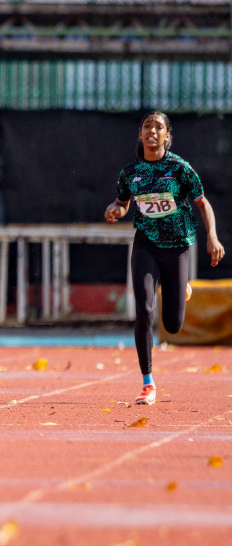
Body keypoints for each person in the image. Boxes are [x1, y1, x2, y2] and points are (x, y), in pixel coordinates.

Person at [105, 110, 223, 404]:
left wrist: (212, 237)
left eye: (158, 127)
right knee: (144, 309)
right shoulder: (131, 172)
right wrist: (115, 211)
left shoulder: (180, 168)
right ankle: (147, 382)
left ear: (167, 136)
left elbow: (202, 203)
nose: (152, 131)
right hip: (145, 243)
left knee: (172, 325)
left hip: (178, 246)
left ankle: (179, 286)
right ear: (141, 134)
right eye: (147, 126)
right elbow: (122, 203)